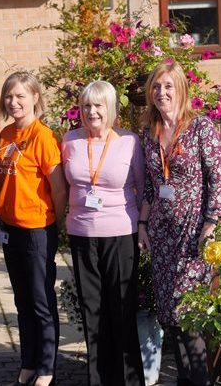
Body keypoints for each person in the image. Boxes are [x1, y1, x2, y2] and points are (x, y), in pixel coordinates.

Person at [138, 61, 221, 386]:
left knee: (190, 317)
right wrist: (143, 224)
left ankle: (198, 380)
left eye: (168, 86)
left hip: (193, 236)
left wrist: (211, 223)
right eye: (156, 87)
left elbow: (217, 179)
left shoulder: (201, 128)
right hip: (161, 237)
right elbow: (148, 184)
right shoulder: (150, 133)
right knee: (169, 317)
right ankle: (185, 381)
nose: (162, 93)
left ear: (181, 90)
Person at [62, 80, 145, 386]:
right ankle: (97, 379)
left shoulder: (129, 142)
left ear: (110, 109)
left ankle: (129, 380)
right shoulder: (69, 140)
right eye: (86, 105)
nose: (91, 111)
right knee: (91, 309)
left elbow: (143, 189)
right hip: (81, 233)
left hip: (121, 232)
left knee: (121, 308)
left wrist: (144, 227)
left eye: (98, 105)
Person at [0, 71, 67, 386]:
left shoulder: (44, 137)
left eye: (20, 96)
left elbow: (59, 188)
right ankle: (28, 363)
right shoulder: (6, 134)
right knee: (22, 301)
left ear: (35, 97)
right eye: (9, 96)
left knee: (40, 301)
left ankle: (47, 368)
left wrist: (58, 224)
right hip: (9, 229)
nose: (14, 102)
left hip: (38, 229)